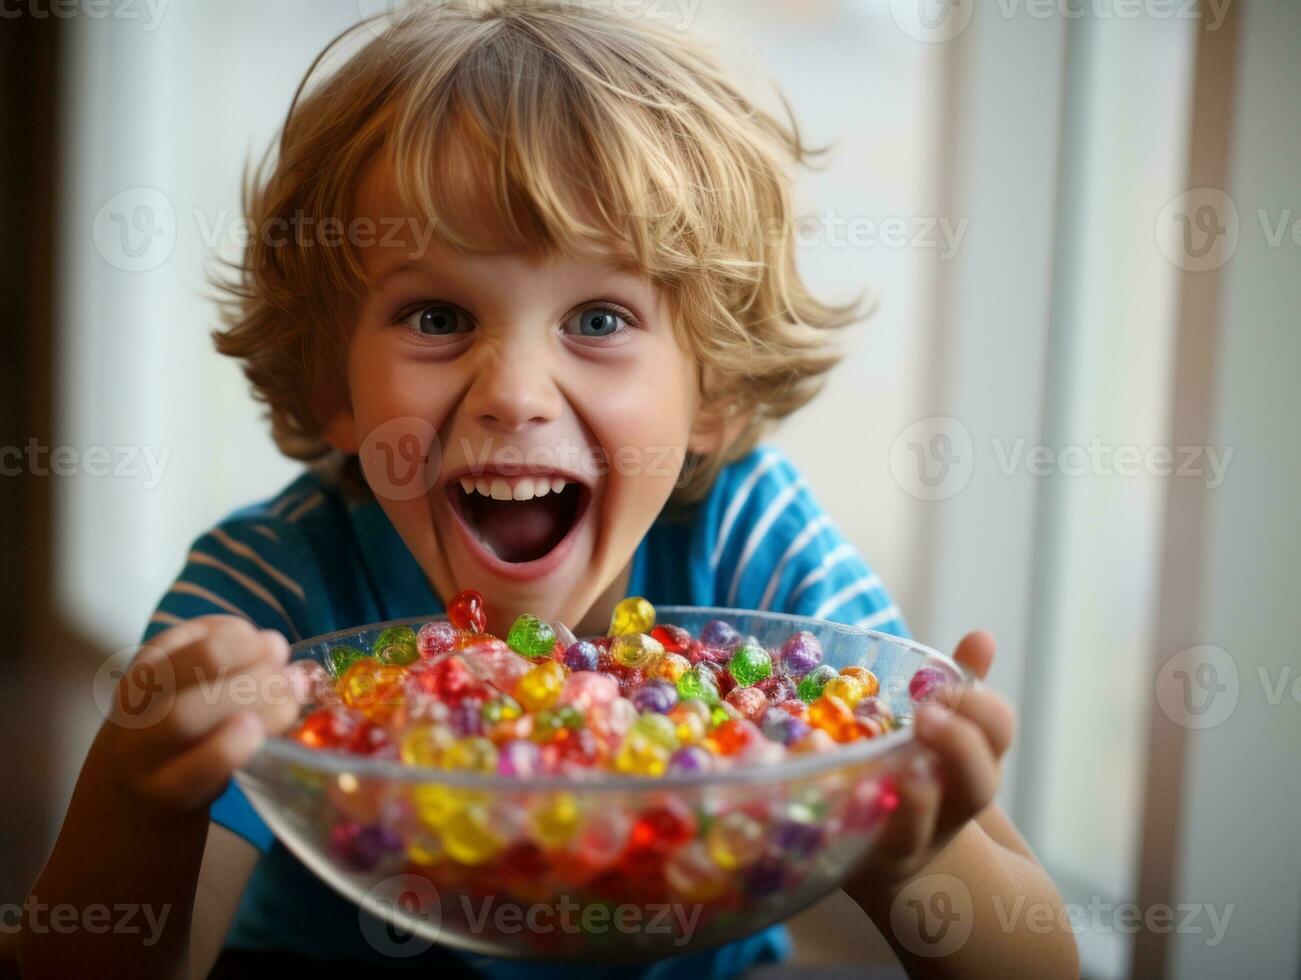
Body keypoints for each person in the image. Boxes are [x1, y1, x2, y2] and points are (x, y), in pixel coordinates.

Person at [22, 2, 1077, 976]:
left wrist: (915, 853)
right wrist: (136, 791)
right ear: (327, 381)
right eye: (435, 316)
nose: (514, 392)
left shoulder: (752, 538)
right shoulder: (270, 595)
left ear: (709, 389)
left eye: (600, 319)